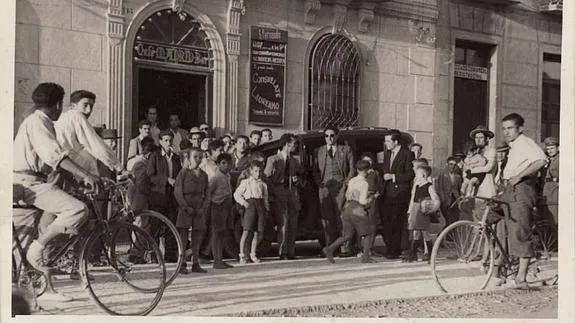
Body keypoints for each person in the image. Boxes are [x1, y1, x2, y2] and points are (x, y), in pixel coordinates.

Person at [14, 83, 100, 301]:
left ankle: (43, 290)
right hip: (29, 183)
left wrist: (76, 181)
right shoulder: (38, 122)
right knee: (78, 210)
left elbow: (54, 164)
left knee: (27, 240)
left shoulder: (39, 121)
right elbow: (55, 156)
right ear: (57, 104)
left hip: (28, 182)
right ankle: (38, 251)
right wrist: (86, 175)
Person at [498, 113, 547, 289]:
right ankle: (501, 264)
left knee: (520, 230)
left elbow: (541, 160)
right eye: (504, 129)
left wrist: (519, 175)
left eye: (510, 128)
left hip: (522, 189)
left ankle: (521, 278)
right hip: (508, 190)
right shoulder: (513, 146)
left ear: (520, 128)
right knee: (490, 217)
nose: (506, 132)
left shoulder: (525, 142)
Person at [54, 90, 124, 177]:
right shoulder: (77, 116)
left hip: (59, 167)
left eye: (91, 106)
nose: (89, 110)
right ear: (73, 105)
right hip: (70, 169)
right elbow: (95, 144)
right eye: (85, 105)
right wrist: (120, 168)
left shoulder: (63, 118)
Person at [322, 160, 377, 264]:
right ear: (367, 171)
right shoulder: (364, 183)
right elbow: (363, 201)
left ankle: (329, 249)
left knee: (346, 235)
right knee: (368, 234)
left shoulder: (352, 181)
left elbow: (347, 195)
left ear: (357, 170)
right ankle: (365, 257)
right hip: (357, 209)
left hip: (347, 208)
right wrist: (372, 197)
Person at [313, 126, 355, 251]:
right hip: (325, 188)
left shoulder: (346, 150)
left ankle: (345, 248)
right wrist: (319, 182)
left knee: (341, 217)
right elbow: (315, 170)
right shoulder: (319, 151)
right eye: (326, 136)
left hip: (340, 186)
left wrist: (346, 183)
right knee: (327, 219)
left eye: (332, 135)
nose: (329, 138)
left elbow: (352, 168)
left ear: (337, 136)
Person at [265, 134, 303, 260]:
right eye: (294, 144)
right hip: (279, 192)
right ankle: (283, 252)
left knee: (293, 223)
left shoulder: (295, 161)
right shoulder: (273, 160)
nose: (295, 146)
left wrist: (297, 180)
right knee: (283, 223)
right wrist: (272, 193)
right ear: (287, 144)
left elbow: (301, 179)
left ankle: (291, 251)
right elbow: (267, 178)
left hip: (293, 193)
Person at [174, 145, 210, 274]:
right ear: (188, 158)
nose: (198, 160)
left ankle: (195, 262)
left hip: (199, 207)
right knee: (183, 236)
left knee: (197, 235)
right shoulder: (183, 173)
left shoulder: (204, 175)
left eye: (200, 157)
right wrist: (185, 206)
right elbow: (178, 192)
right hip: (186, 207)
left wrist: (203, 208)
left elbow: (207, 193)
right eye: (195, 157)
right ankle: (182, 263)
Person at [147, 129, 182, 262]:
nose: (168, 143)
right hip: (158, 196)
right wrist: (166, 179)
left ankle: (170, 255)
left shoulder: (176, 157)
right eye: (166, 140)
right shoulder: (155, 156)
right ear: (161, 142)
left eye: (170, 140)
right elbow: (150, 176)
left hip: (171, 197)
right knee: (155, 225)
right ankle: (154, 255)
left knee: (171, 225)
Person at [380, 129, 415, 259]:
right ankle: (390, 247)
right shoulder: (387, 154)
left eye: (388, 141)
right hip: (387, 193)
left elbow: (410, 174)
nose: (386, 143)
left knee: (396, 222)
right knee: (387, 222)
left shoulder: (407, 154)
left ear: (396, 141)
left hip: (400, 193)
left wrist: (393, 177)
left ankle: (395, 250)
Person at [234, 160, 270, 264]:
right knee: (246, 231)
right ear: (250, 171)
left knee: (256, 233)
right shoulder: (245, 182)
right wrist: (243, 203)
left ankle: (253, 254)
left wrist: (267, 209)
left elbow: (265, 198)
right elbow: (236, 194)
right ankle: (242, 255)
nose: (257, 174)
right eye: (255, 171)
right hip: (250, 207)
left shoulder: (263, 185)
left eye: (259, 171)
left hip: (260, 208)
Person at [405, 165, 440, 263]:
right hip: (415, 209)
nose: (416, 175)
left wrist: (431, 208)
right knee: (416, 232)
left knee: (425, 233)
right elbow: (413, 199)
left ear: (423, 175)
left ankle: (431, 255)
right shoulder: (416, 186)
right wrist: (410, 210)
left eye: (417, 174)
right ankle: (413, 255)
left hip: (422, 209)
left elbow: (436, 199)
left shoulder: (429, 186)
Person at [206, 153, 235, 269]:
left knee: (223, 233)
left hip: (226, 206)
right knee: (216, 233)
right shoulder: (216, 177)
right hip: (217, 206)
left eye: (229, 163)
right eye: (223, 163)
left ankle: (220, 258)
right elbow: (208, 192)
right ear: (218, 164)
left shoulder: (227, 176)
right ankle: (216, 260)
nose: (226, 165)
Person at [435, 156, 463, 226]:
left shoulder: (458, 176)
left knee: (455, 220)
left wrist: (460, 200)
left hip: (455, 200)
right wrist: (443, 199)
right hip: (446, 200)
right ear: (447, 164)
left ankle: (448, 236)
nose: (452, 166)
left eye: (454, 164)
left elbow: (459, 189)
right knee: (449, 220)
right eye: (451, 164)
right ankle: (442, 236)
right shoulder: (442, 174)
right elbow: (439, 188)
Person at [540, 137, 559, 225]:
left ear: (558, 148)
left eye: (552, 148)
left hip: (555, 193)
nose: (550, 151)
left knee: (554, 221)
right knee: (546, 221)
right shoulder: (547, 160)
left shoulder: (560, 159)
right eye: (548, 149)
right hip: (546, 193)